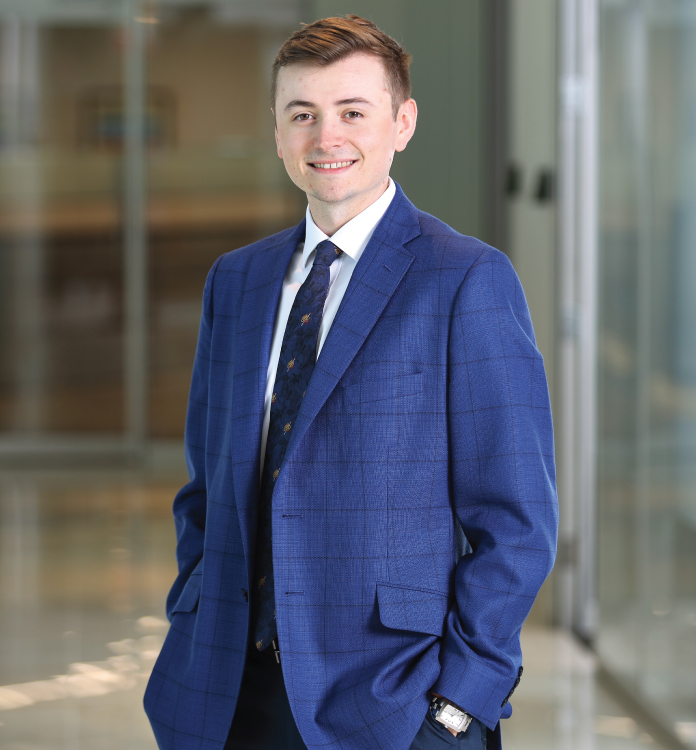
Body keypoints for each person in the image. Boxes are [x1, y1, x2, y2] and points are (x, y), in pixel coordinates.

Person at [144, 15, 558, 750]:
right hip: (226, 692)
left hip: (392, 702)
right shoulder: (236, 282)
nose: (325, 136)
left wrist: (459, 707)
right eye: (302, 114)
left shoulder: (466, 280)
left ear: (403, 123)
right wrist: (193, 608)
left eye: (353, 112)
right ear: (277, 133)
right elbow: (206, 489)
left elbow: (517, 525)